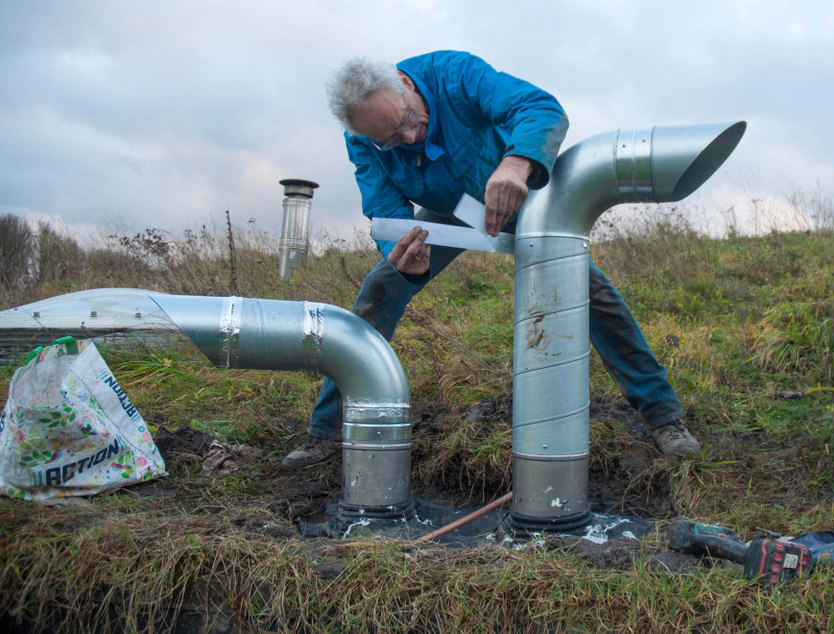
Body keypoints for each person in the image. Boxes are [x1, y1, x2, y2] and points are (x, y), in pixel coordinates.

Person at [282, 50, 699, 467]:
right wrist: (399, 252)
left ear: (406, 85)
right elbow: (384, 207)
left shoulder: (454, 73)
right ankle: (327, 432)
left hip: (521, 196)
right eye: (390, 139)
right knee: (380, 288)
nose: (408, 139)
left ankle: (664, 417)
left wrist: (517, 164)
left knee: (591, 293)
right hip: (451, 212)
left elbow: (540, 107)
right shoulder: (363, 135)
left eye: (409, 121)